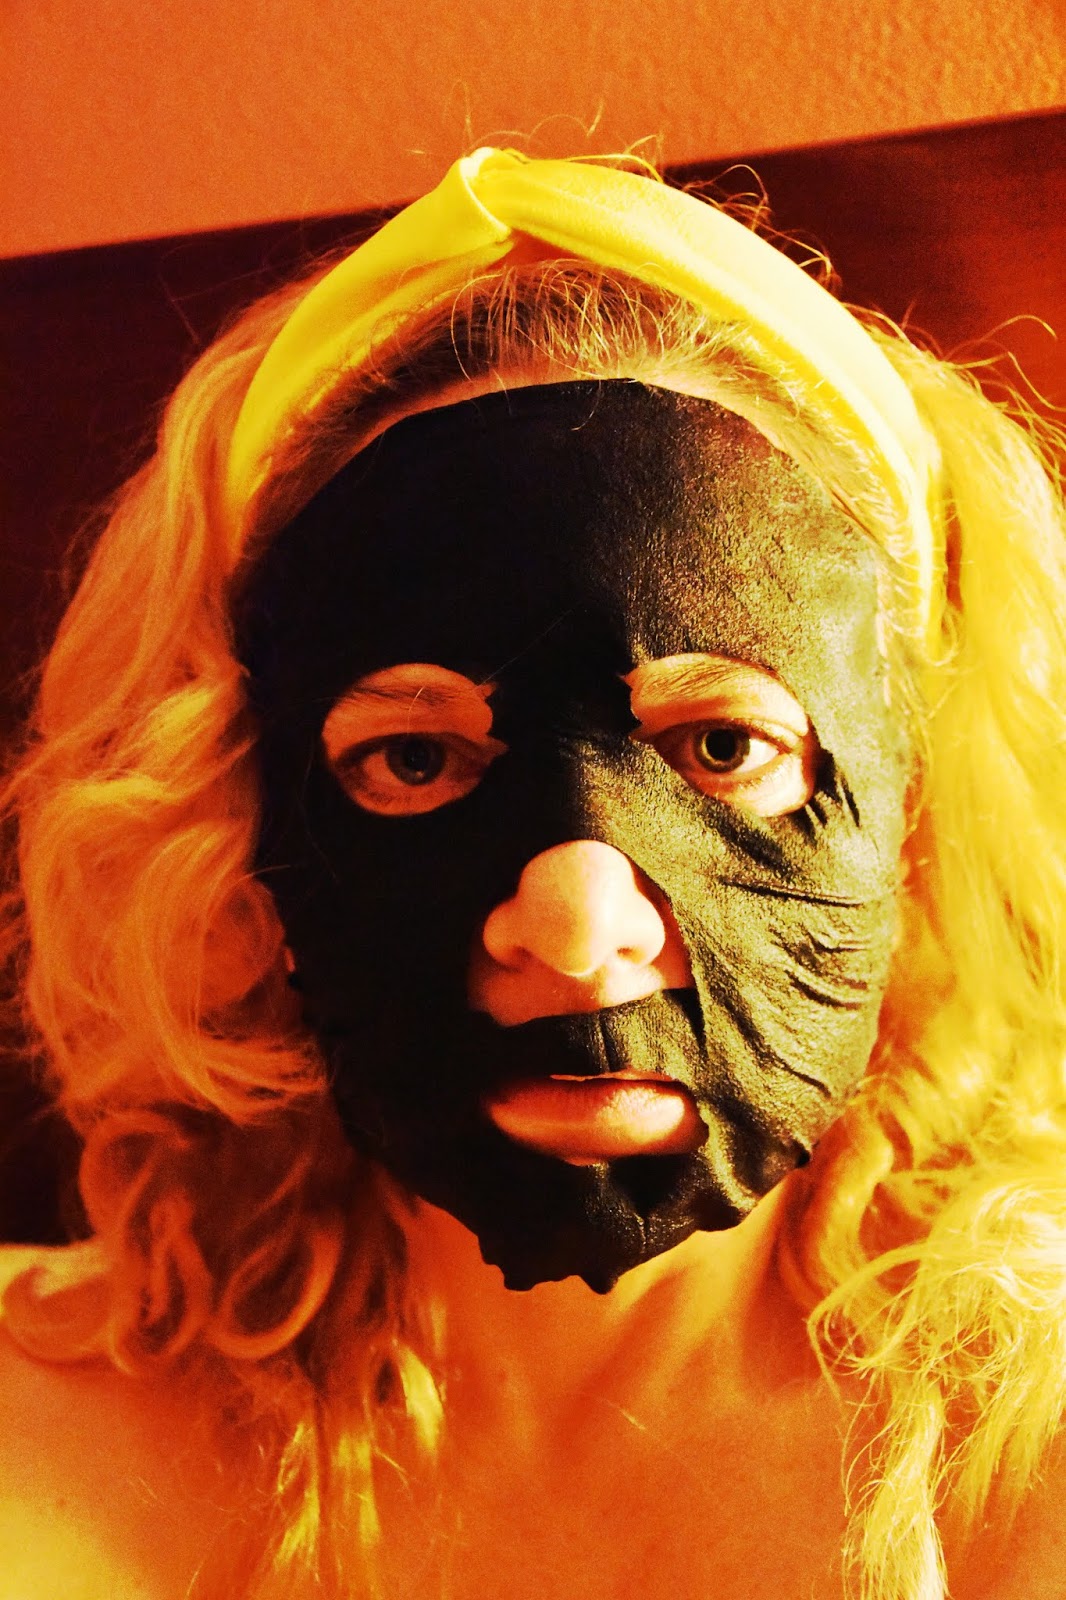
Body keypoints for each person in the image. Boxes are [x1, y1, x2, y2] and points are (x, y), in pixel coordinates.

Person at [2, 146, 1065, 1600]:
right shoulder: (37, 1440)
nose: (575, 931)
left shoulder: (1027, 1468)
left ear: (912, 805)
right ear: (237, 822)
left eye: (723, 748)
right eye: (413, 760)